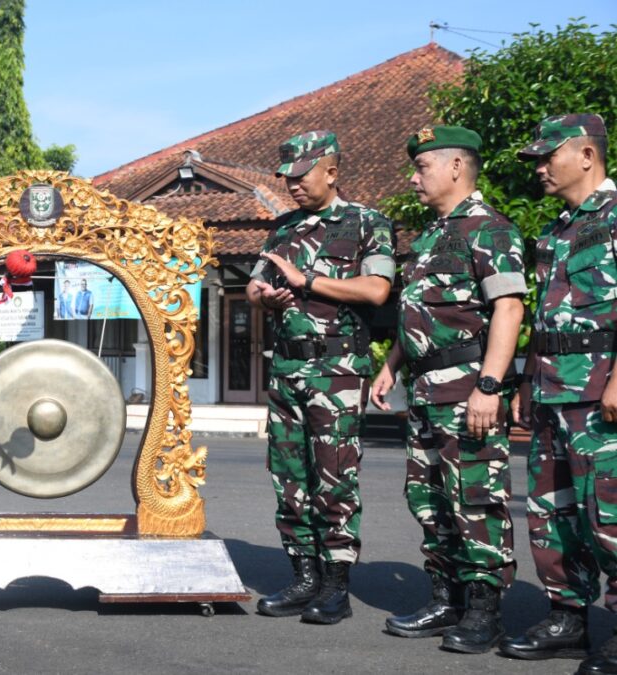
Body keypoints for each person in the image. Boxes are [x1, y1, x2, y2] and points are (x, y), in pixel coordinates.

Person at [372, 126, 525, 654]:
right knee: (430, 498)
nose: (414, 178)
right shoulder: (433, 235)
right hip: (424, 388)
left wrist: (489, 385)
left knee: (475, 498)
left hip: (466, 387)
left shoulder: (489, 229)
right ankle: (446, 598)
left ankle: (485, 611)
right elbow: (419, 313)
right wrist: (391, 364)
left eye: (423, 168)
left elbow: (508, 307)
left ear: (457, 167)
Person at [247, 130, 395, 625]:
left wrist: (306, 281)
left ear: (331, 172)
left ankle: (336, 585)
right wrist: (263, 298)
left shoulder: (365, 223)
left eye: (301, 175)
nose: (292, 185)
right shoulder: (282, 228)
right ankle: (303, 575)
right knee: (289, 479)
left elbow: (376, 290)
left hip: (337, 370)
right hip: (286, 367)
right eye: (286, 176)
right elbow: (254, 284)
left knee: (333, 477)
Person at [499, 114, 616, 672]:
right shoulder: (556, 230)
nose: (540, 168)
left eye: (549, 157)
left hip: (601, 396)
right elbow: (542, 320)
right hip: (549, 394)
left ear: (588, 156)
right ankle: (567, 619)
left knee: (609, 515)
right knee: (552, 514)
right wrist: (523, 381)